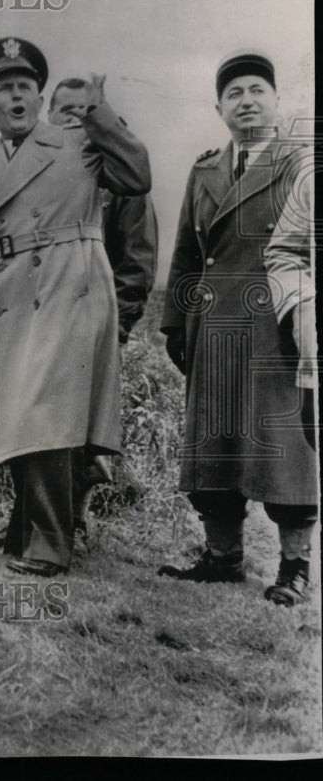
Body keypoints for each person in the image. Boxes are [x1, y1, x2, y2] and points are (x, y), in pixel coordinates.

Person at [0, 36, 151, 576]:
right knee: (16, 415)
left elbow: (137, 177)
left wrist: (103, 117)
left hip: (69, 285)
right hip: (5, 296)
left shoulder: (81, 145)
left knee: (42, 413)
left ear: (39, 98)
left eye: (24, 87)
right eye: (3, 90)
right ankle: (25, 529)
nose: (16, 97)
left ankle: (51, 543)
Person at [158, 50, 318, 605]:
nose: (246, 101)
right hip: (214, 324)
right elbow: (185, 254)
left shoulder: (301, 165)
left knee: (284, 449)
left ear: (275, 100)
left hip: (278, 328)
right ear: (220, 106)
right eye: (234, 94)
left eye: (256, 90)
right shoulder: (204, 170)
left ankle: (294, 568)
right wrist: (177, 323)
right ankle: (221, 556)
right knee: (214, 446)